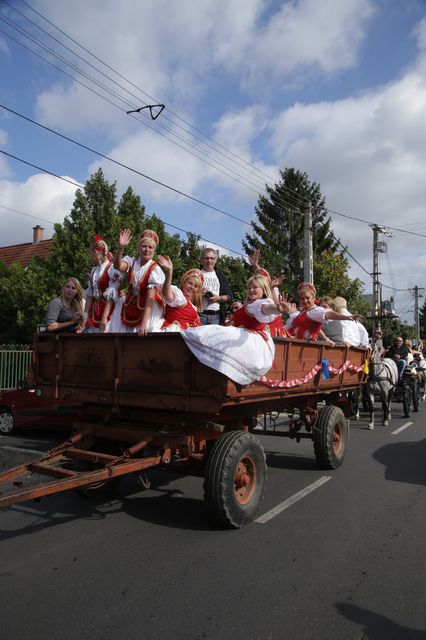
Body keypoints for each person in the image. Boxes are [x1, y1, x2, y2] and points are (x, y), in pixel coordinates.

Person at [182, 275, 283, 386]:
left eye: (255, 287)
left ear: (263, 290)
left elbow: (266, 309)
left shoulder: (258, 304)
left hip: (248, 337)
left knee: (206, 334)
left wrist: (277, 309)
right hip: (241, 331)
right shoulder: (251, 304)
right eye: (249, 288)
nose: (251, 290)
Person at [112, 228, 165, 335]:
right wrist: (121, 247)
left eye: (150, 247)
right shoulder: (132, 262)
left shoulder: (155, 269)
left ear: (154, 250)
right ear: (139, 248)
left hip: (148, 308)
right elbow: (117, 266)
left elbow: (150, 296)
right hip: (130, 305)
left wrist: (144, 323)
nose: (147, 250)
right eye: (144, 246)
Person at [284, 283, 359, 340]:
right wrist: (326, 339)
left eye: (307, 298)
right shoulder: (304, 311)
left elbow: (328, 314)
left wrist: (347, 317)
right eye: (302, 298)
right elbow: (315, 328)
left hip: (302, 345)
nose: (305, 301)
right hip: (295, 341)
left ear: (313, 299)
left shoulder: (316, 311)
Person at [80, 235, 122, 333]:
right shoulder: (94, 270)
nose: (92, 254)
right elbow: (90, 295)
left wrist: (104, 317)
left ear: (98, 252)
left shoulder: (111, 268)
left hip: (110, 310)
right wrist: (85, 316)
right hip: (96, 310)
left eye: (93, 251)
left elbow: (111, 295)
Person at [156, 255, 203, 331]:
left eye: (196, 286)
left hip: (187, 338)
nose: (192, 287)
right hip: (174, 334)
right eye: (190, 283)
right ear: (183, 283)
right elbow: (167, 295)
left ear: (198, 290)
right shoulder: (180, 298)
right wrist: (170, 272)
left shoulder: (193, 306)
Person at [248, 248, 287, 337]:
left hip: (271, 329)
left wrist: (272, 288)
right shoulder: (253, 295)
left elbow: (275, 308)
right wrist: (255, 265)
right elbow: (260, 276)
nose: (252, 289)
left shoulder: (273, 290)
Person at [199, 247, 233, 325]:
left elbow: (230, 297)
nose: (209, 261)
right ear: (201, 260)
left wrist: (219, 298)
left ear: (216, 260)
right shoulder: (195, 274)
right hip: (199, 315)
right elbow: (185, 294)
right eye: (206, 258)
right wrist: (198, 294)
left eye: (212, 258)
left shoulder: (220, 276)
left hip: (216, 316)